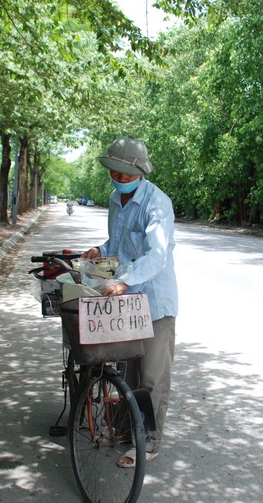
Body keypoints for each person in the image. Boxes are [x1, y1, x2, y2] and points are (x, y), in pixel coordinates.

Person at [81, 136, 178, 468]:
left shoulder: (156, 203)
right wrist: (101, 250)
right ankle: (124, 432)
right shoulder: (114, 199)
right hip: (122, 303)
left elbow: (157, 255)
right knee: (124, 370)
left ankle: (148, 443)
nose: (120, 179)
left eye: (126, 175)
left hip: (153, 302)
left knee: (151, 377)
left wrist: (125, 281)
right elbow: (119, 244)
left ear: (139, 173)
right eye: (116, 173)